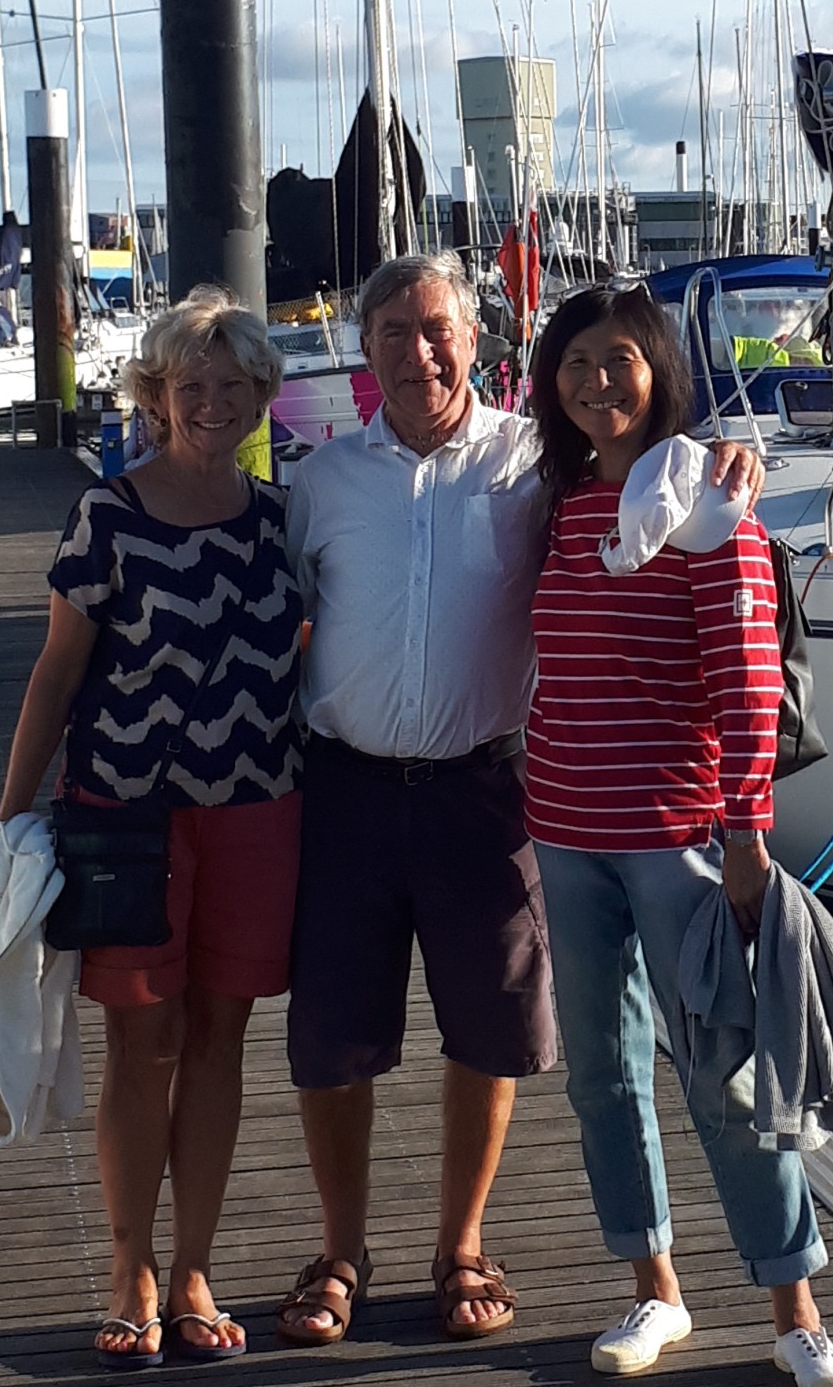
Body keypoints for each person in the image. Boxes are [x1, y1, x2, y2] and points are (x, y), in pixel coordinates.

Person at [278, 253, 761, 1348]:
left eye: (437, 329)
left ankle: (461, 1245)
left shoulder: (535, 464)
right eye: (393, 333)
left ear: (475, 339)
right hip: (346, 789)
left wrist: (732, 451)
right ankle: (341, 1249)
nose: (418, 353)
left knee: (491, 1029)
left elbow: (654, 473)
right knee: (333, 1034)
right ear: (364, 351)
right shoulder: (320, 479)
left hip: (487, 789)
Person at [525, 283, 833, 1387]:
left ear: (657, 370)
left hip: (678, 836)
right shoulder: (558, 503)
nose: (596, 381)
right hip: (564, 830)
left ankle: (795, 1310)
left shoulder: (710, 499)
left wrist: (747, 834)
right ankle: (654, 1289)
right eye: (575, 361)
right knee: (601, 1074)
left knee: (724, 1070)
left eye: (618, 359)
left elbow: (748, 674)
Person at [0, 287, 303, 1368]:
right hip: (126, 815)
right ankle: (131, 1266)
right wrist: (7, 821)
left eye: (233, 384)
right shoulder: (109, 513)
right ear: (155, 396)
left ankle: (192, 1272)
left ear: (262, 393)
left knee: (220, 1039)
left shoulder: (281, 518)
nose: (212, 402)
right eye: (190, 385)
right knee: (141, 1040)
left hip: (258, 809)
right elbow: (55, 673)